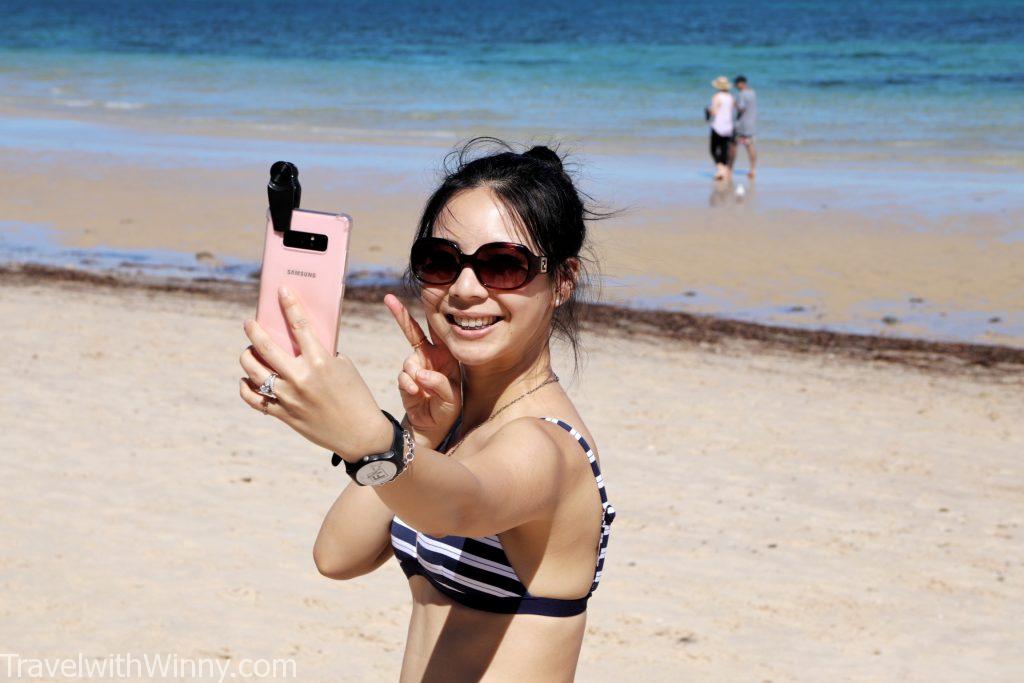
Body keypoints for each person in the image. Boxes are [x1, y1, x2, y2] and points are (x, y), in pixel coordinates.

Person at [238, 139, 615, 681]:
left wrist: (368, 436)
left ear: (562, 281)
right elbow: (337, 556)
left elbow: (460, 507)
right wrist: (417, 431)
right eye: (440, 262)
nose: (464, 289)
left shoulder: (548, 445)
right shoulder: (457, 427)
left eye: (502, 266)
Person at [706, 75, 735, 181]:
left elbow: (714, 112)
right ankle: (725, 168)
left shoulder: (716, 96)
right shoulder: (730, 97)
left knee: (713, 149)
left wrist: (708, 111)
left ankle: (721, 169)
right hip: (728, 126)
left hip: (718, 126)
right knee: (724, 149)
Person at [732, 75, 757, 178]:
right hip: (751, 124)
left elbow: (741, 109)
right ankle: (753, 169)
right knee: (750, 147)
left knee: (733, 146)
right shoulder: (753, 93)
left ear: (741, 84)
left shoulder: (741, 94)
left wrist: (734, 103)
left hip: (741, 125)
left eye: (736, 84)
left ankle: (730, 168)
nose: (735, 87)